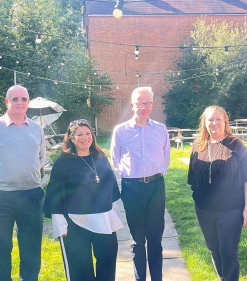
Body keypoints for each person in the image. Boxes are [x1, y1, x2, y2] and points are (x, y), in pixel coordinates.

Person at [0, 85, 46, 281]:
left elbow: (40, 158)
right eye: (15, 99)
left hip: (31, 195)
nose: (20, 102)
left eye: (24, 99)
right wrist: (1, 179)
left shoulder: (37, 129)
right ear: (6, 102)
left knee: (32, 247)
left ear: (28, 103)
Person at [43, 120, 123, 281]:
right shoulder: (64, 162)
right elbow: (55, 192)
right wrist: (59, 221)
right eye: (79, 134)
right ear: (72, 138)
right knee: (81, 270)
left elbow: (110, 182)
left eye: (88, 134)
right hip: (76, 223)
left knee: (107, 265)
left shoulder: (100, 156)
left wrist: (114, 207)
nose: (85, 138)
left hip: (104, 220)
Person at [187, 106, 247, 281]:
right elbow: (193, 178)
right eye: (210, 120)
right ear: (204, 123)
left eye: (218, 119)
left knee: (228, 251)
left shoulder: (236, 145)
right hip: (204, 209)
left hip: (231, 209)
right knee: (213, 248)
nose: (214, 123)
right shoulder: (198, 145)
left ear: (225, 121)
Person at [110, 87, 171, 281]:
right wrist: (131, 175)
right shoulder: (120, 131)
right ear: (132, 105)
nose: (143, 107)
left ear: (152, 105)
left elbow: (166, 157)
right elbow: (115, 159)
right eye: (139, 103)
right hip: (131, 188)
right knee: (137, 240)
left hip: (156, 187)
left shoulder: (161, 129)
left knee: (155, 239)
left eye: (147, 103)